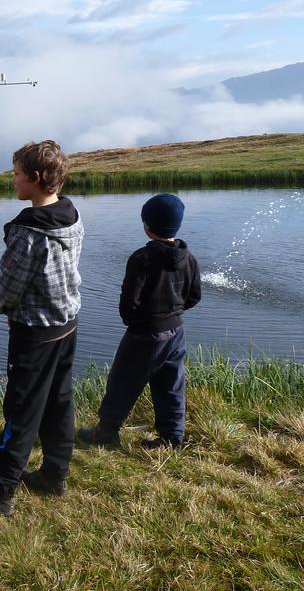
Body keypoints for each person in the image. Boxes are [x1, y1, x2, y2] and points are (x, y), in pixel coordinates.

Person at [0, 140, 83, 516]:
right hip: (67, 322)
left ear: (36, 178)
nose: (12, 180)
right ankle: (54, 474)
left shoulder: (29, 232)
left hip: (35, 332)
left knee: (22, 409)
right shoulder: (72, 214)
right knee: (59, 400)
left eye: (16, 174)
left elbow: (10, 286)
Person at [79, 193, 201, 450]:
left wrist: (135, 321)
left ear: (147, 226)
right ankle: (172, 438)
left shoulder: (141, 259)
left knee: (123, 382)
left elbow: (128, 303)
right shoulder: (189, 258)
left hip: (144, 334)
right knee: (171, 384)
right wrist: (174, 312)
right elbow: (194, 297)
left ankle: (107, 431)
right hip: (176, 331)